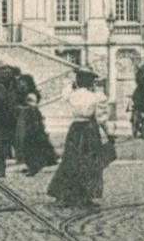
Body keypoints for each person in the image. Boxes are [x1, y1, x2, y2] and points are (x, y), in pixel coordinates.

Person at [48, 70, 112, 208]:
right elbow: (101, 118)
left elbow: (65, 93)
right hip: (89, 130)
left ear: (78, 81)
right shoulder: (96, 97)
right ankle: (85, 196)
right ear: (90, 82)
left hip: (75, 129)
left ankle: (65, 194)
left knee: (71, 160)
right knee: (90, 162)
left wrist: (70, 84)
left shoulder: (72, 96)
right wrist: (109, 133)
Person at [15, 87, 58, 175]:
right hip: (29, 128)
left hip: (31, 131)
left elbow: (35, 122)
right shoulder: (29, 109)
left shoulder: (31, 109)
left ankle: (33, 168)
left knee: (31, 149)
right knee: (29, 149)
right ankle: (33, 166)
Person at [0, 65, 19, 178]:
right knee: (7, 143)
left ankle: (0, 168)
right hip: (12, 118)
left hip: (3, 119)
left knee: (3, 144)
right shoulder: (15, 84)